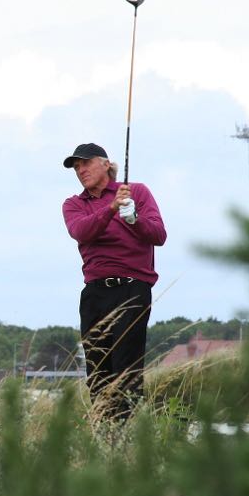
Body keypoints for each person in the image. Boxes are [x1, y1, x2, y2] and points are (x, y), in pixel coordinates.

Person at [62, 143, 167, 421]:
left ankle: (126, 433)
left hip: (132, 288)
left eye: (85, 163)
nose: (80, 170)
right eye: (76, 167)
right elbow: (82, 231)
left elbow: (158, 235)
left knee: (126, 366)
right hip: (95, 293)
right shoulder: (74, 204)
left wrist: (134, 218)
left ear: (105, 164)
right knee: (97, 369)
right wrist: (111, 208)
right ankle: (104, 430)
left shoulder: (138, 192)